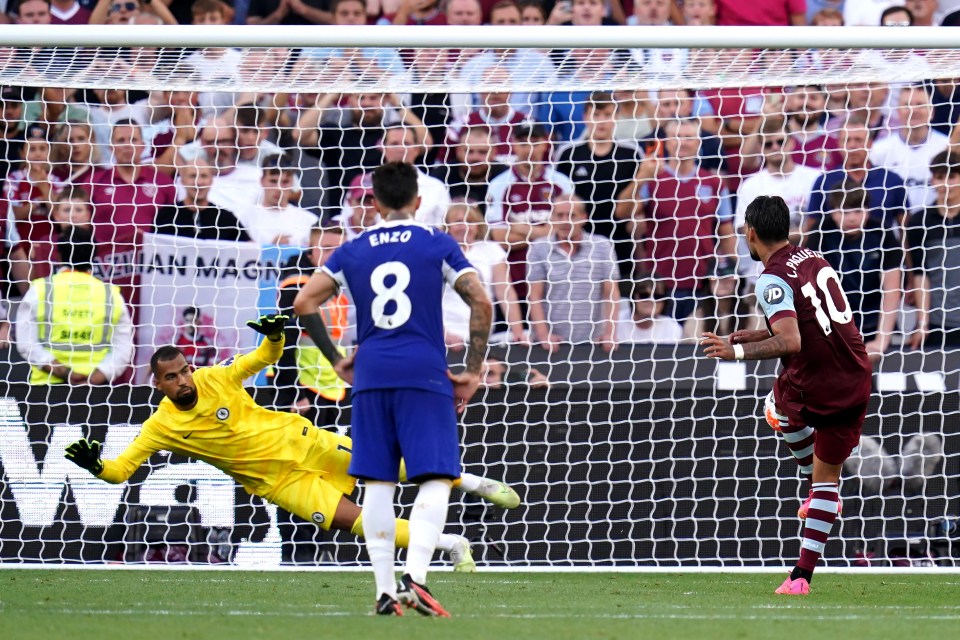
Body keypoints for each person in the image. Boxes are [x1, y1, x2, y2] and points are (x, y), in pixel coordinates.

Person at [64, 315, 518, 573]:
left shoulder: (216, 377)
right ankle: (453, 544)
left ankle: (473, 483)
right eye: (172, 376)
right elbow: (122, 471)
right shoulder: (158, 428)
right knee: (363, 524)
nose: (183, 379)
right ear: (157, 383)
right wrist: (96, 467)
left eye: (184, 370)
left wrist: (277, 336)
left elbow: (264, 356)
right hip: (279, 483)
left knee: (393, 468)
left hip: (304, 443)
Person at [292, 161, 494, 616]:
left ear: (375, 203)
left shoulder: (353, 249)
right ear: (418, 201)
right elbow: (480, 300)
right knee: (437, 476)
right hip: (424, 372)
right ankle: (417, 577)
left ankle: (385, 591)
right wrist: (473, 370)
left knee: (377, 483)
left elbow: (304, 301)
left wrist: (336, 358)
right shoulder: (436, 243)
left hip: (372, 375)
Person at [701, 195, 873, 595]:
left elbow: (793, 339)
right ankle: (800, 577)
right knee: (828, 480)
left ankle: (810, 486)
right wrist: (762, 332)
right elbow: (814, 316)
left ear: (751, 232)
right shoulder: (813, 257)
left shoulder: (770, 278)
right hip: (856, 375)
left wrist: (738, 351)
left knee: (775, 408)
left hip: (818, 382)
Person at [16, 226, 134, 385]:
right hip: (95, 391)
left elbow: (26, 343)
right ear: (94, 256)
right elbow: (123, 348)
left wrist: (64, 372)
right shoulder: (111, 294)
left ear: (58, 255)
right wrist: (98, 376)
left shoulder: (40, 289)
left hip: (46, 389)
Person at [806, 188, 903, 360]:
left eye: (858, 211)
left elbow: (892, 289)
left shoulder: (882, 232)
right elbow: (809, 288)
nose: (851, 218)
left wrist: (881, 340)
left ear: (867, 211)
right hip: (832, 325)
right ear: (833, 212)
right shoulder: (820, 232)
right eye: (844, 211)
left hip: (874, 323)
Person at [527, 195, 619, 352]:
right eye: (559, 215)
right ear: (552, 218)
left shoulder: (601, 246)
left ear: (584, 218)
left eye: (571, 215)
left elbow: (610, 293)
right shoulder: (539, 247)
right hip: (552, 343)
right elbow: (534, 295)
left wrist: (610, 333)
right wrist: (544, 335)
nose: (565, 221)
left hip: (593, 342)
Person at [904, 150, 960, 350]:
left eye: (951, 177)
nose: (945, 184)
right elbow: (920, 274)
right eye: (939, 177)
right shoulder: (920, 222)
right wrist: (922, 322)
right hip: (938, 324)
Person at [154, 159, 250, 241]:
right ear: (182, 181)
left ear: (211, 181)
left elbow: (249, 249)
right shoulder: (166, 215)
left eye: (204, 176)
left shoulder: (226, 219)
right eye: (192, 176)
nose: (198, 182)